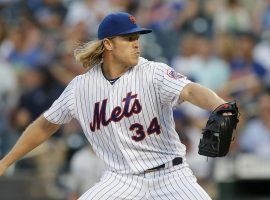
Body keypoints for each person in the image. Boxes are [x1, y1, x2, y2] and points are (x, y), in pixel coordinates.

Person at [0, 12, 229, 199]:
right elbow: (45, 125)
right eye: (128, 39)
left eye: (137, 38)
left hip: (171, 175)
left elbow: (190, 90)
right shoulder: (80, 88)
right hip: (121, 180)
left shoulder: (153, 72)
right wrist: (5, 161)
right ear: (108, 44)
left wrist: (220, 106)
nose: (136, 45)